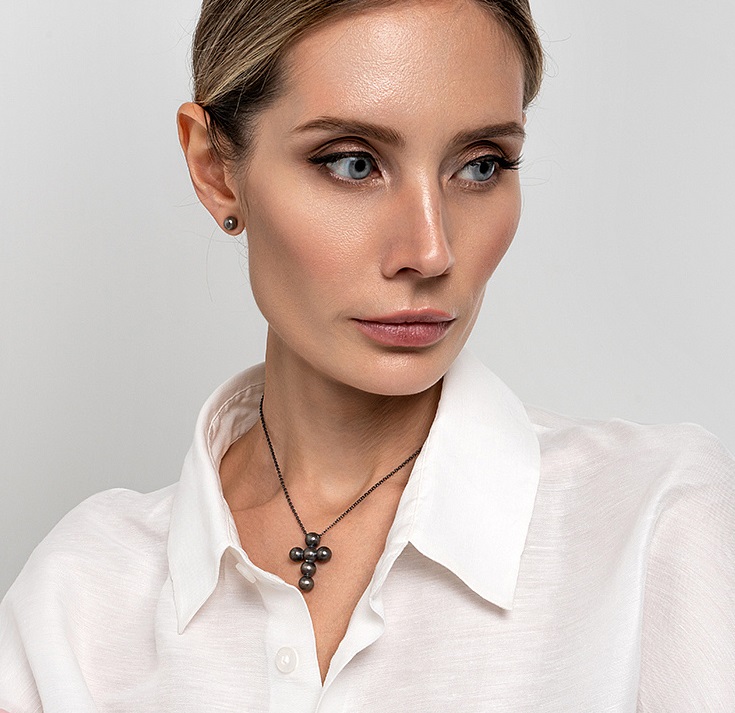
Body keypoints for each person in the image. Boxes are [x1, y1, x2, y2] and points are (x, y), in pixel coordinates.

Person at [1, 0, 733, 710]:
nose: (431, 250)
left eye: (480, 166)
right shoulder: (81, 598)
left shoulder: (654, 527)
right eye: (353, 164)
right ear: (215, 169)